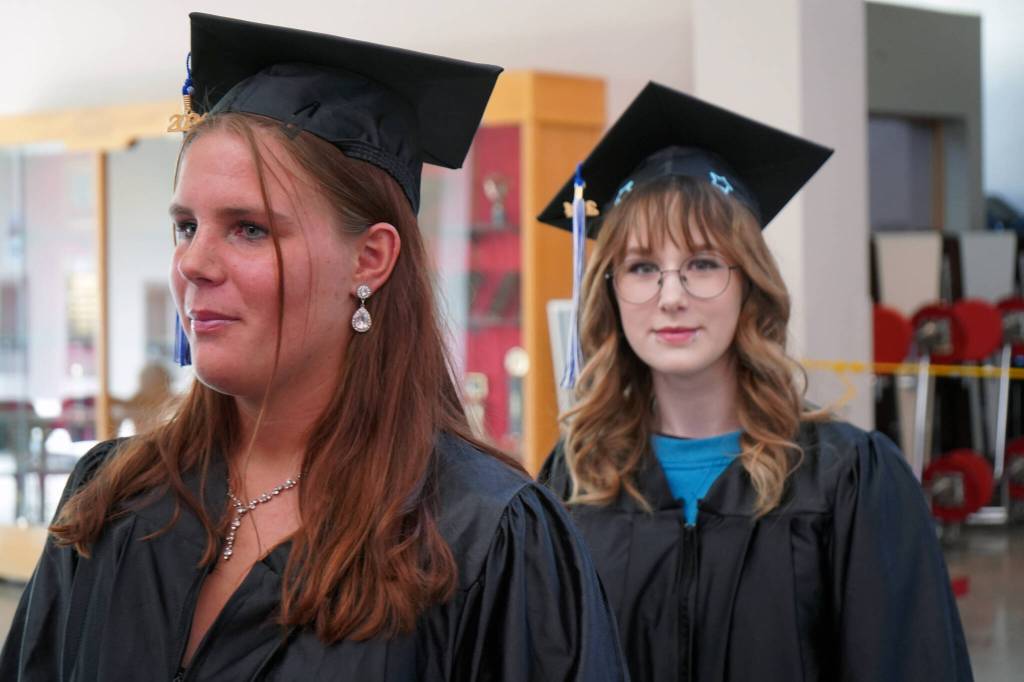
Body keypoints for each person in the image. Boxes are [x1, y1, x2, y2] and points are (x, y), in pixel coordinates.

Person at [1, 14, 626, 681]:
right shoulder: (115, 499)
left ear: (370, 258)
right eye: (186, 226)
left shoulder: (481, 538)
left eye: (249, 229)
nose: (193, 264)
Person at [537, 82, 972, 682]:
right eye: (642, 267)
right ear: (610, 290)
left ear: (750, 284)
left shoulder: (848, 481)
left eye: (702, 263)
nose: (671, 296)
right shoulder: (576, 479)